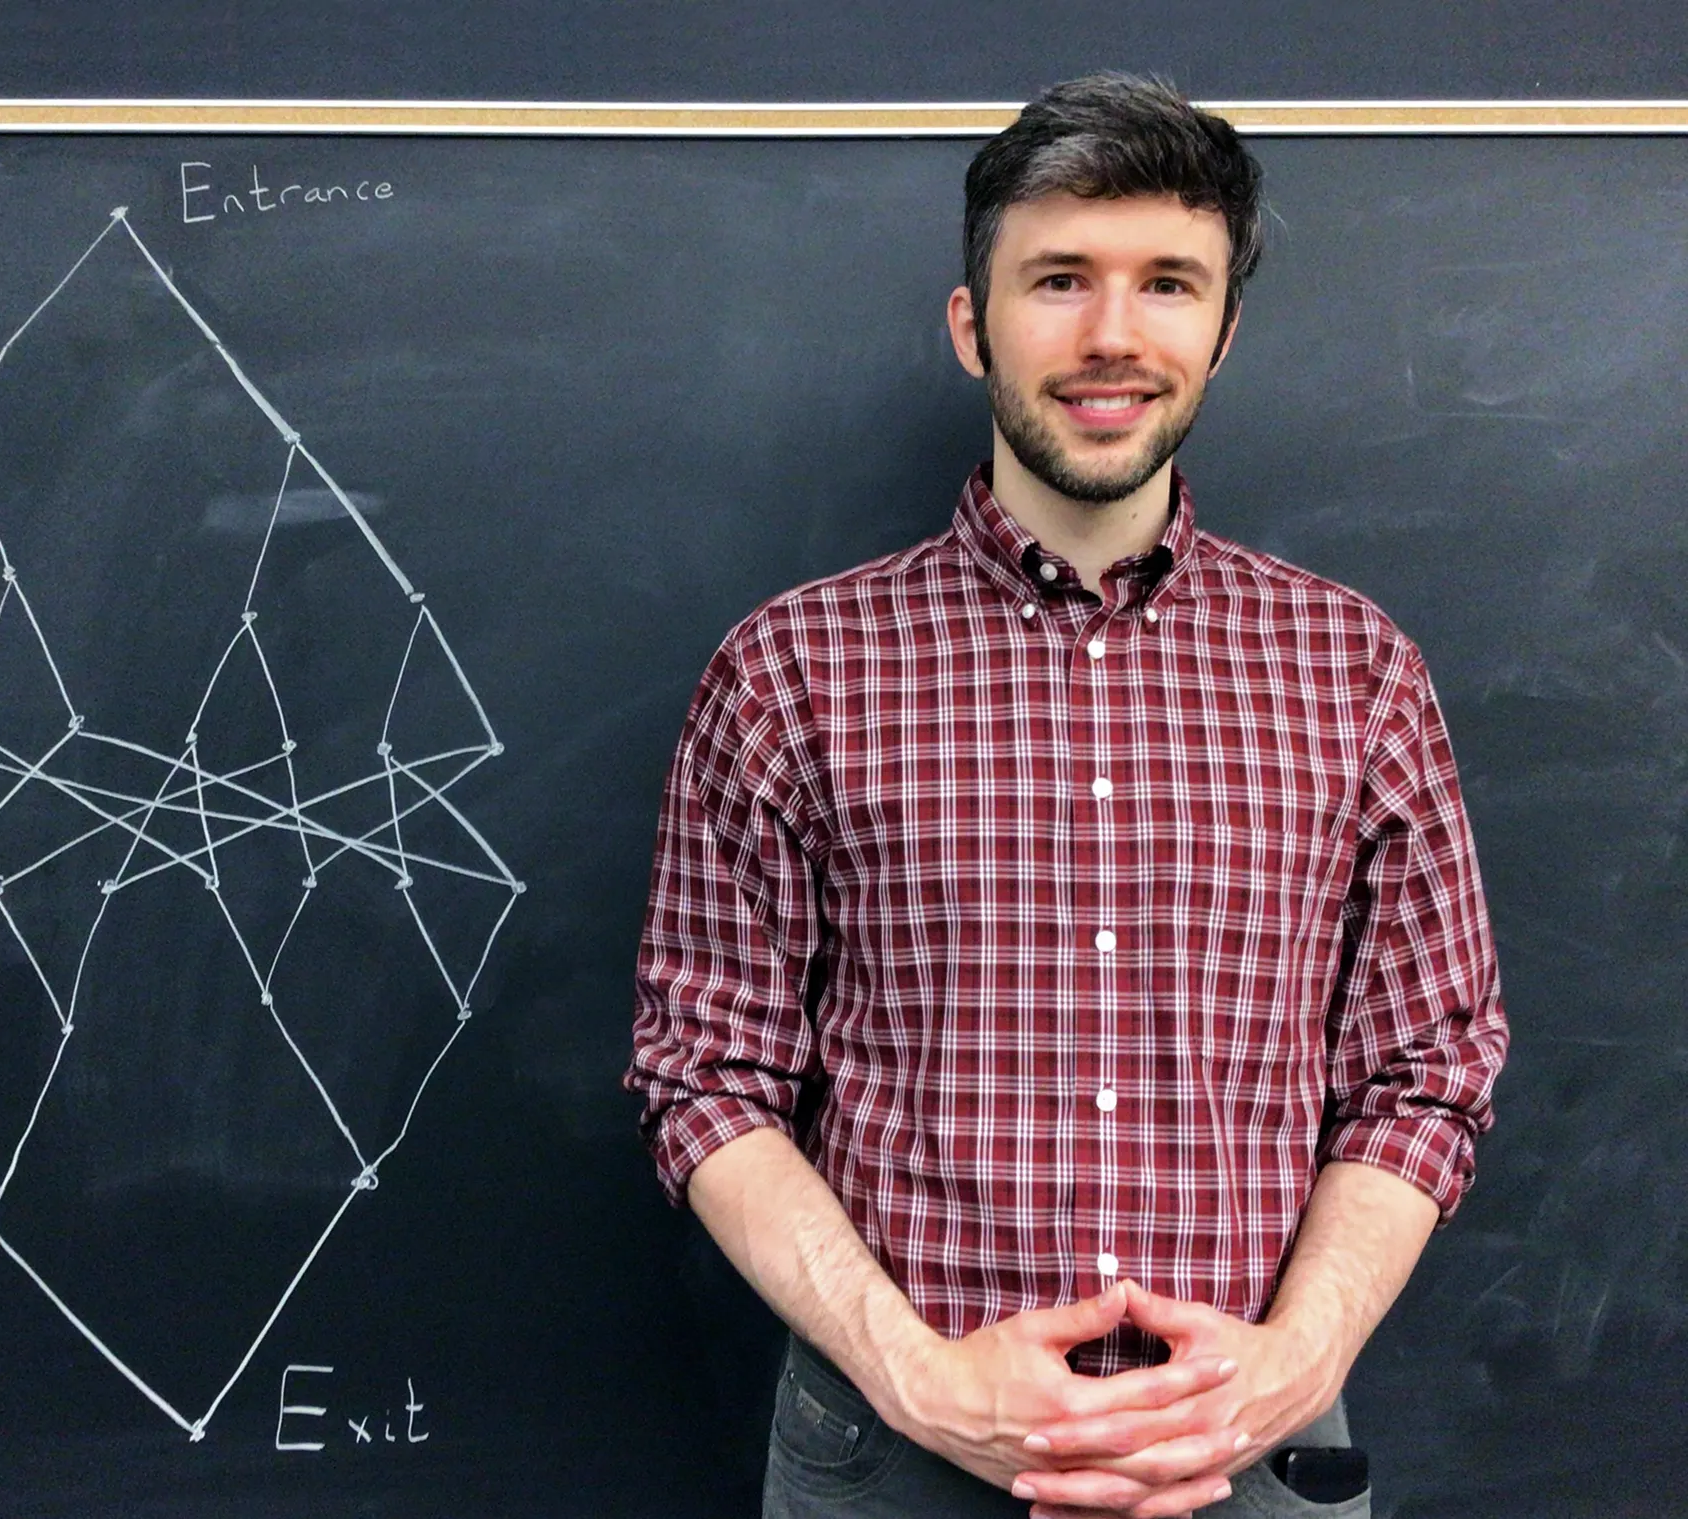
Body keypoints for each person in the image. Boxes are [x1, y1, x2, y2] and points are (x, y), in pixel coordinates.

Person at [626, 73, 1508, 1519]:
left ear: (1223, 333)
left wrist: (1295, 1356)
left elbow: (1428, 1062)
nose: (1111, 335)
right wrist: (914, 1371)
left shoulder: (1354, 671)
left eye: (1167, 282)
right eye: (1058, 279)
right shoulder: (789, 670)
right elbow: (704, 1072)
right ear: (971, 323)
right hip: (891, 1461)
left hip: (1254, 1462)